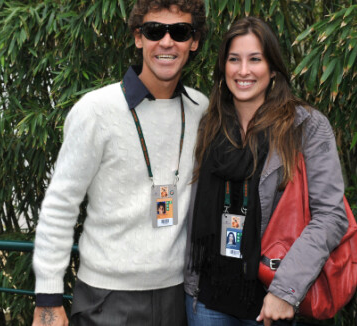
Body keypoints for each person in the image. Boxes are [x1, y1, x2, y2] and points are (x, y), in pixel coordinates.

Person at [31, 1, 208, 325]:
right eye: (155, 30)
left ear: (193, 42)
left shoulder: (201, 109)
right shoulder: (96, 111)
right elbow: (60, 205)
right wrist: (48, 301)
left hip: (179, 298)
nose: (167, 42)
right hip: (106, 299)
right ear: (138, 37)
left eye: (180, 31)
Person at [184, 17, 349, 326]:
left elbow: (331, 216)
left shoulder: (306, 127)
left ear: (273, 69)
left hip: (270, 303)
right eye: (234, 59)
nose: (243, 70)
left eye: (255, 59)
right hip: (205, 300)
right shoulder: (209, 125)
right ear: (223, 68)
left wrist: (286, 290)